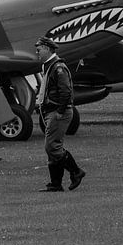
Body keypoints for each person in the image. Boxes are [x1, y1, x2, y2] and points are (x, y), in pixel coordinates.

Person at [35, 36, 86, 192]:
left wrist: (60, 111)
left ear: (47, 49)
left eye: (39, 49)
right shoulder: (49, 66)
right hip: (51, 111)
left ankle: (76, 171)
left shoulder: (58, 67)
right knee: (52, 148)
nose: (37, 52)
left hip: (57, 112)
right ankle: (55, 184)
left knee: (52, 147)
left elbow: (66, 91)